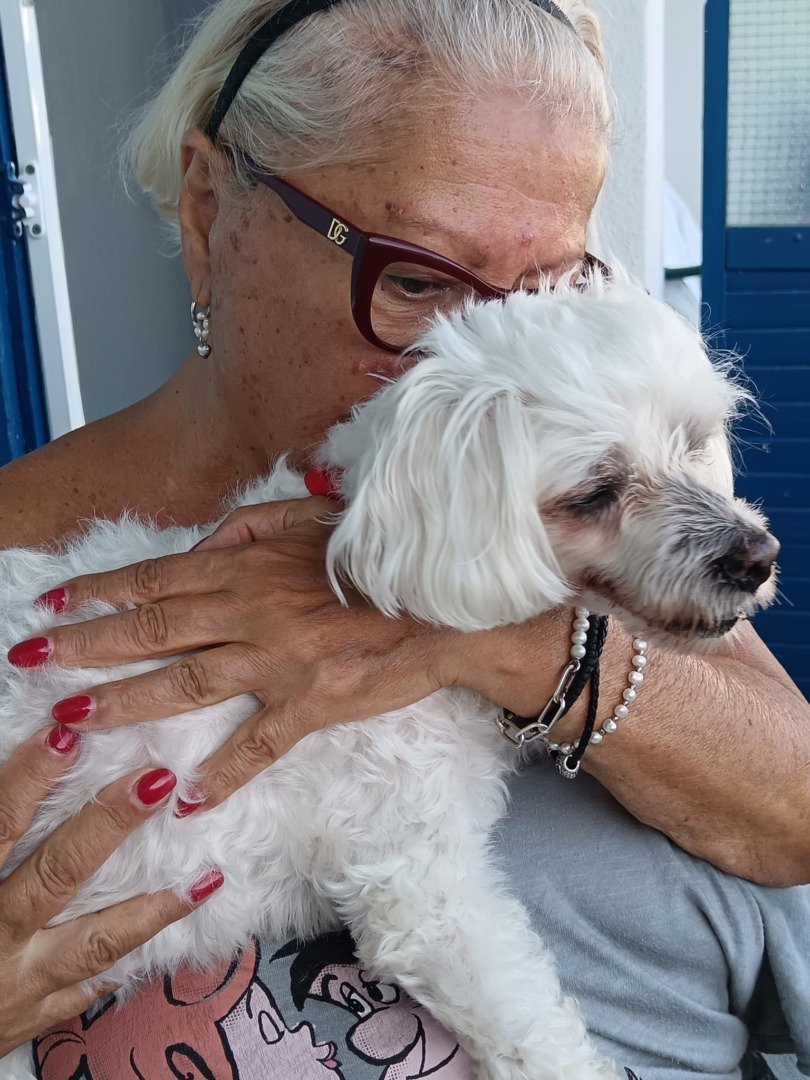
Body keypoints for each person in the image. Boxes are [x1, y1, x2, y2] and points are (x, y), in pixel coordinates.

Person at [0, 1, 808, 1076]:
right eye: (416, 277)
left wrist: (501, 643)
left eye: (550, 286)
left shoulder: (602, 528)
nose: (490, 348)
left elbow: (794, 812)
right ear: (208, 211)